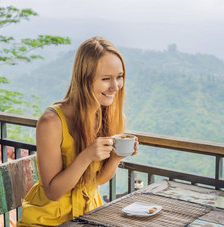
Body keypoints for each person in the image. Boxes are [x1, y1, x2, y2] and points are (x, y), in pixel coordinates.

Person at [17, 37, 138, 226]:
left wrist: (115, 157)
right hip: (48, 221)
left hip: (89, 217)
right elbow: (53, 192)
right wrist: (86, 156)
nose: (115, 87)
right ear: (84, 79)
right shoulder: (51, 122)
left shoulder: (113, 117)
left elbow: (96, 181)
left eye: (119, 77)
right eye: (106, 79)